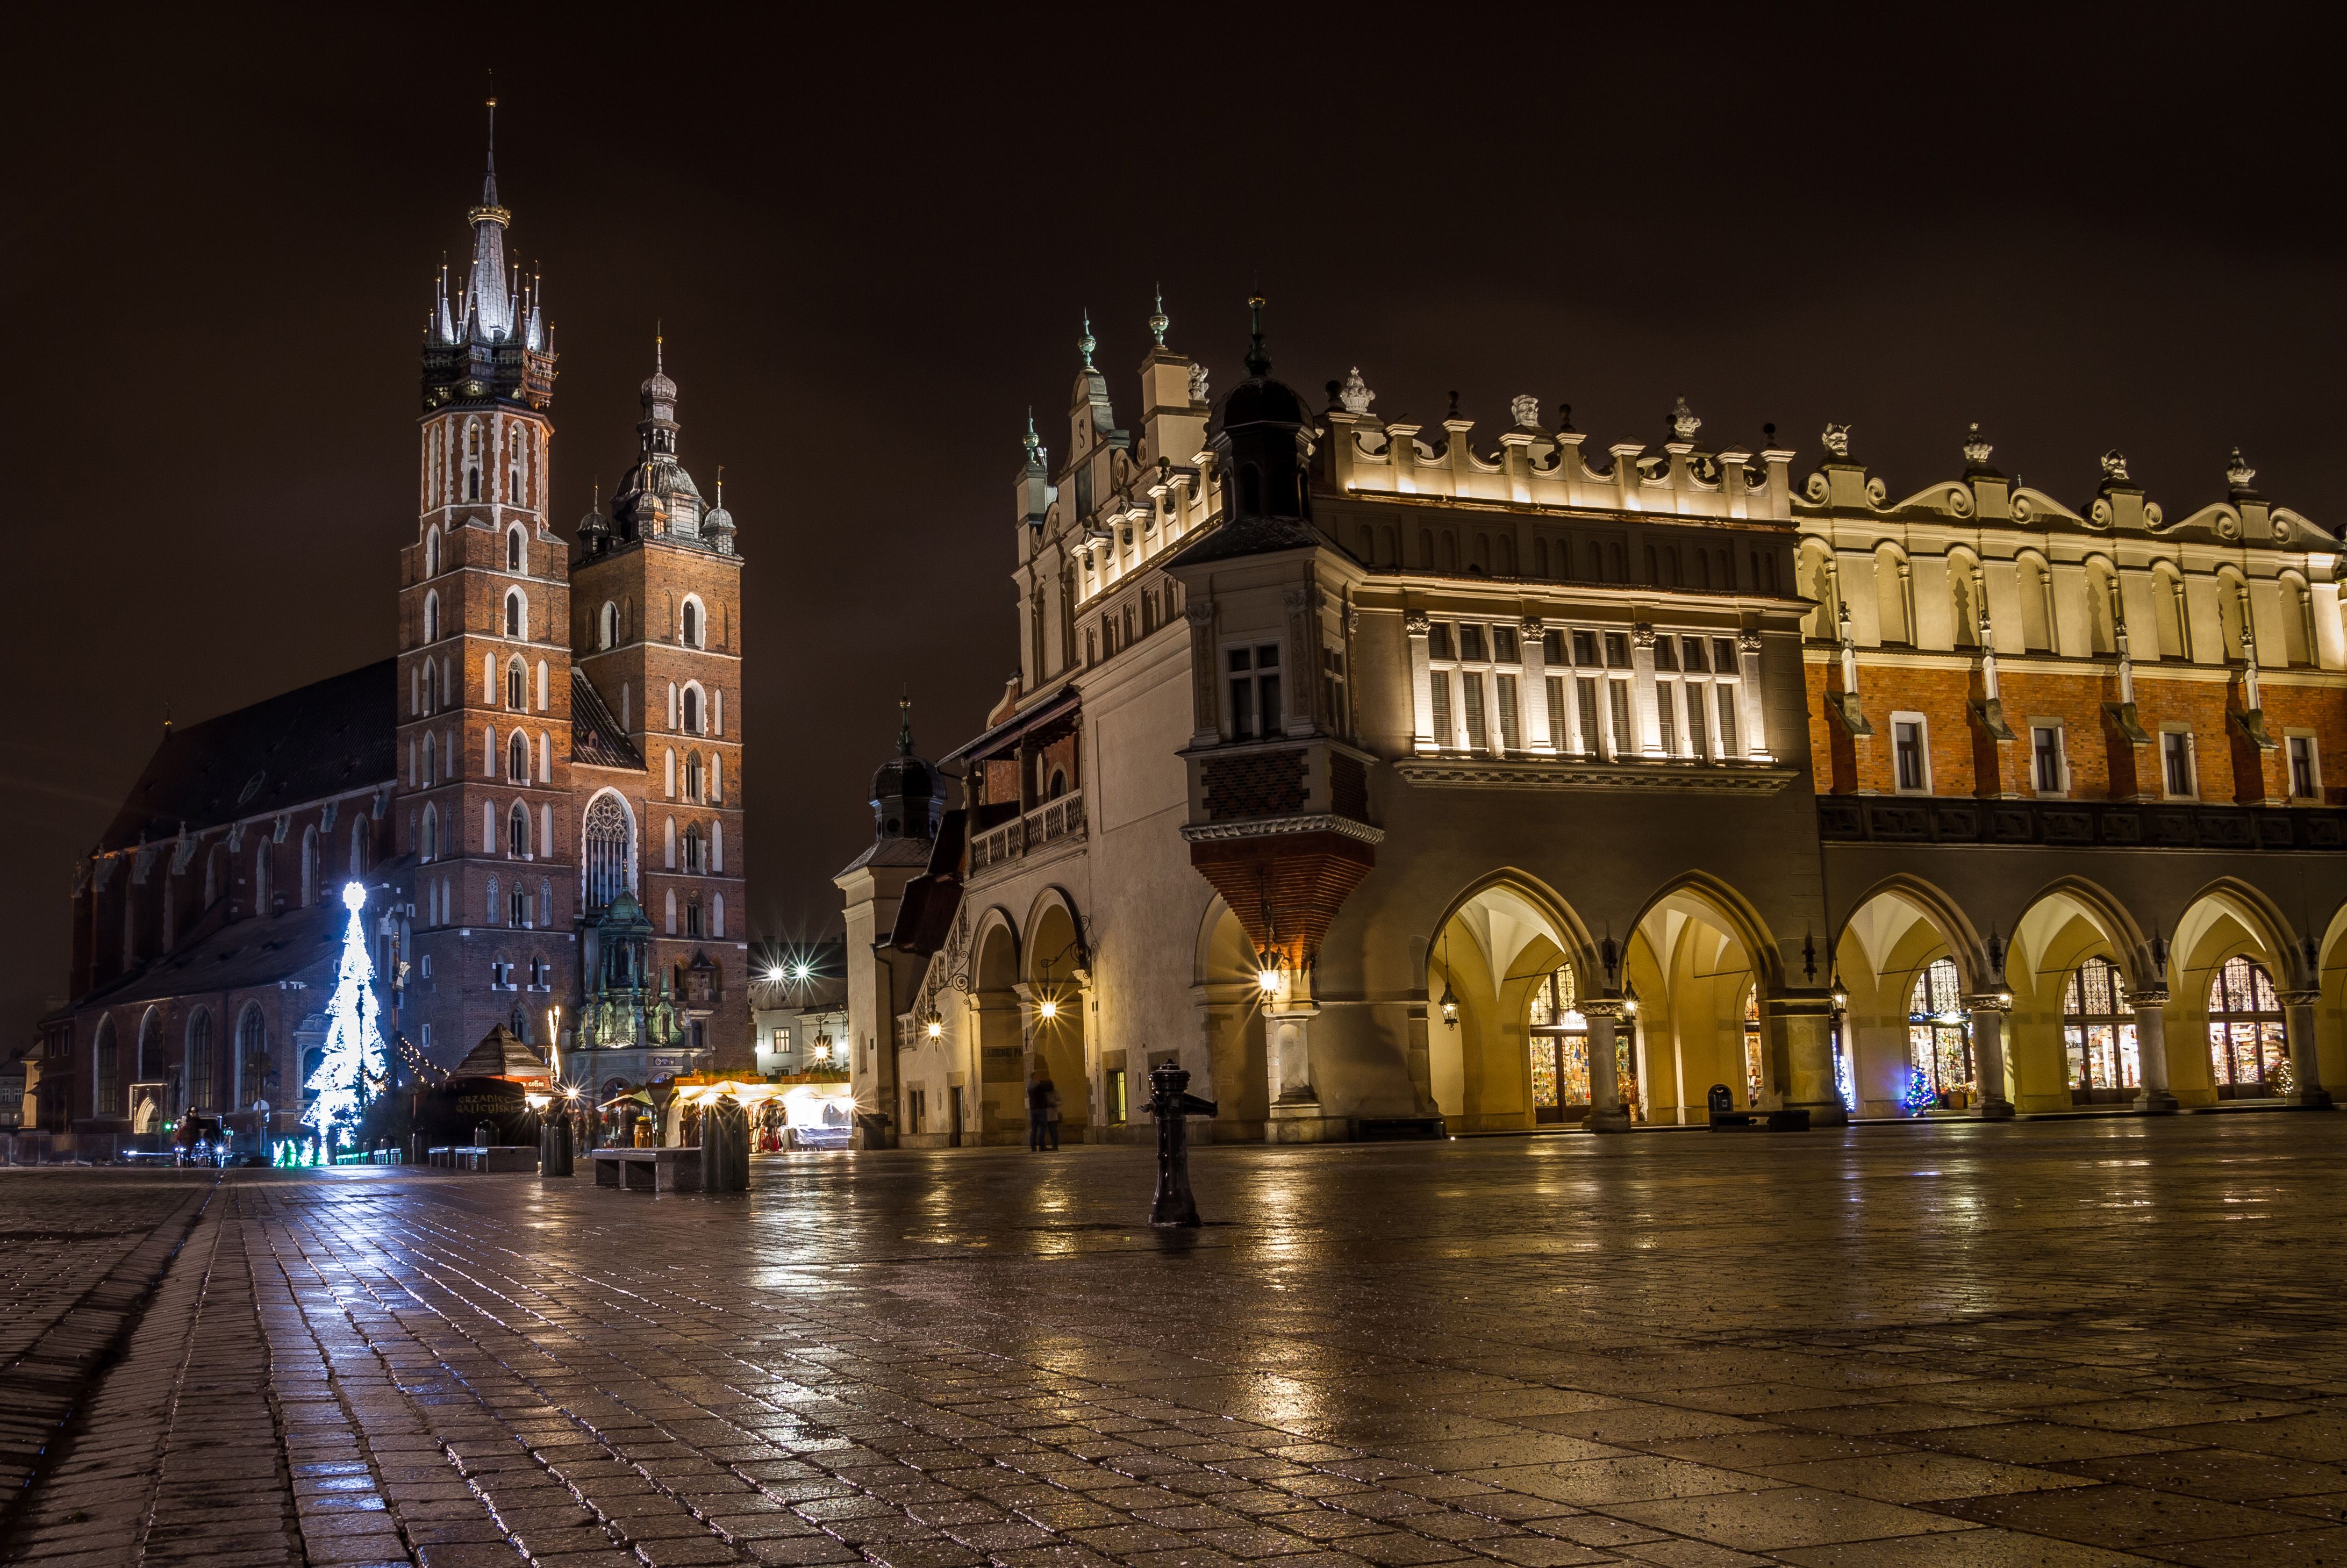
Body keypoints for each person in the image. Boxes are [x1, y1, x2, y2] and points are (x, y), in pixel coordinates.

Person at [1027, 1072, 1061, 1151]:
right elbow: (1049, 1087)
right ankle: (1042, 1145)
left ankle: (1033, 1147)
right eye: (1038, 1077)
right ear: (1035, 1077)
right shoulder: (1038, 1086)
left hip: (1033, 1109)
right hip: (1040, 1109)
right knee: (1042, 1128)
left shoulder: (1029, 1086)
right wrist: (1046, 1080)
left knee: (1034, 1129)